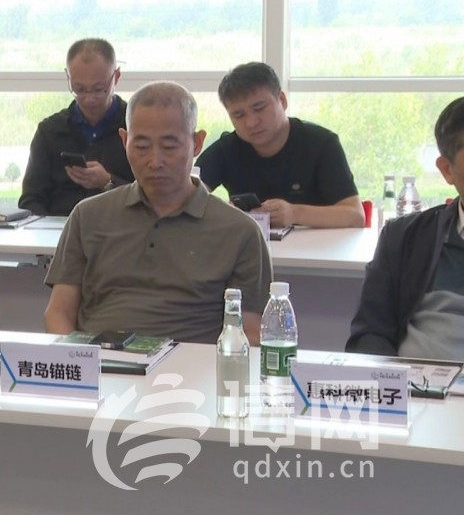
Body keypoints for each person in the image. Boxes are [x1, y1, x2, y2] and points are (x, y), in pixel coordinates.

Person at [43, 81, 272, 344]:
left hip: (193, 364)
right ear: (125, 141)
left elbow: (249, 332)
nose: (155, 161)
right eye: (141, 147)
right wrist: (77, 359)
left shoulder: (240, 231)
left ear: (197, 143)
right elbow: (58, 312)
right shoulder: (88, 216)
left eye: (170, 146)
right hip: (101, 359)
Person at [347, 97, 464, 358]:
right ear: (447, 169)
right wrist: (389, 378)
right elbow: (370, 334)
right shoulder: (404, 237)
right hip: (416, 379)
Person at [196, 61, 365, 228]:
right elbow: (187, 200)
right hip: (250, 245)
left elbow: (355, 216)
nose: (251, 122)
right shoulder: (226, 150)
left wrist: (295, 213)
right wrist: (225, 213)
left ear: (282, 101)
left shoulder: (321, 143)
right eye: (239, 115)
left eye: (259, 108)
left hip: (319, 245)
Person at [20, 38, 135, 216]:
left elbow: (153, 197)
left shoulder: (136, 128)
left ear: (116, 77)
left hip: (120, 227)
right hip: (60, 227)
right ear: (68, 78)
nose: (89, 99)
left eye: (98, 89)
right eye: (79, 89)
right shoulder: (50, 132)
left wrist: (109, 182)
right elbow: (30, 200)